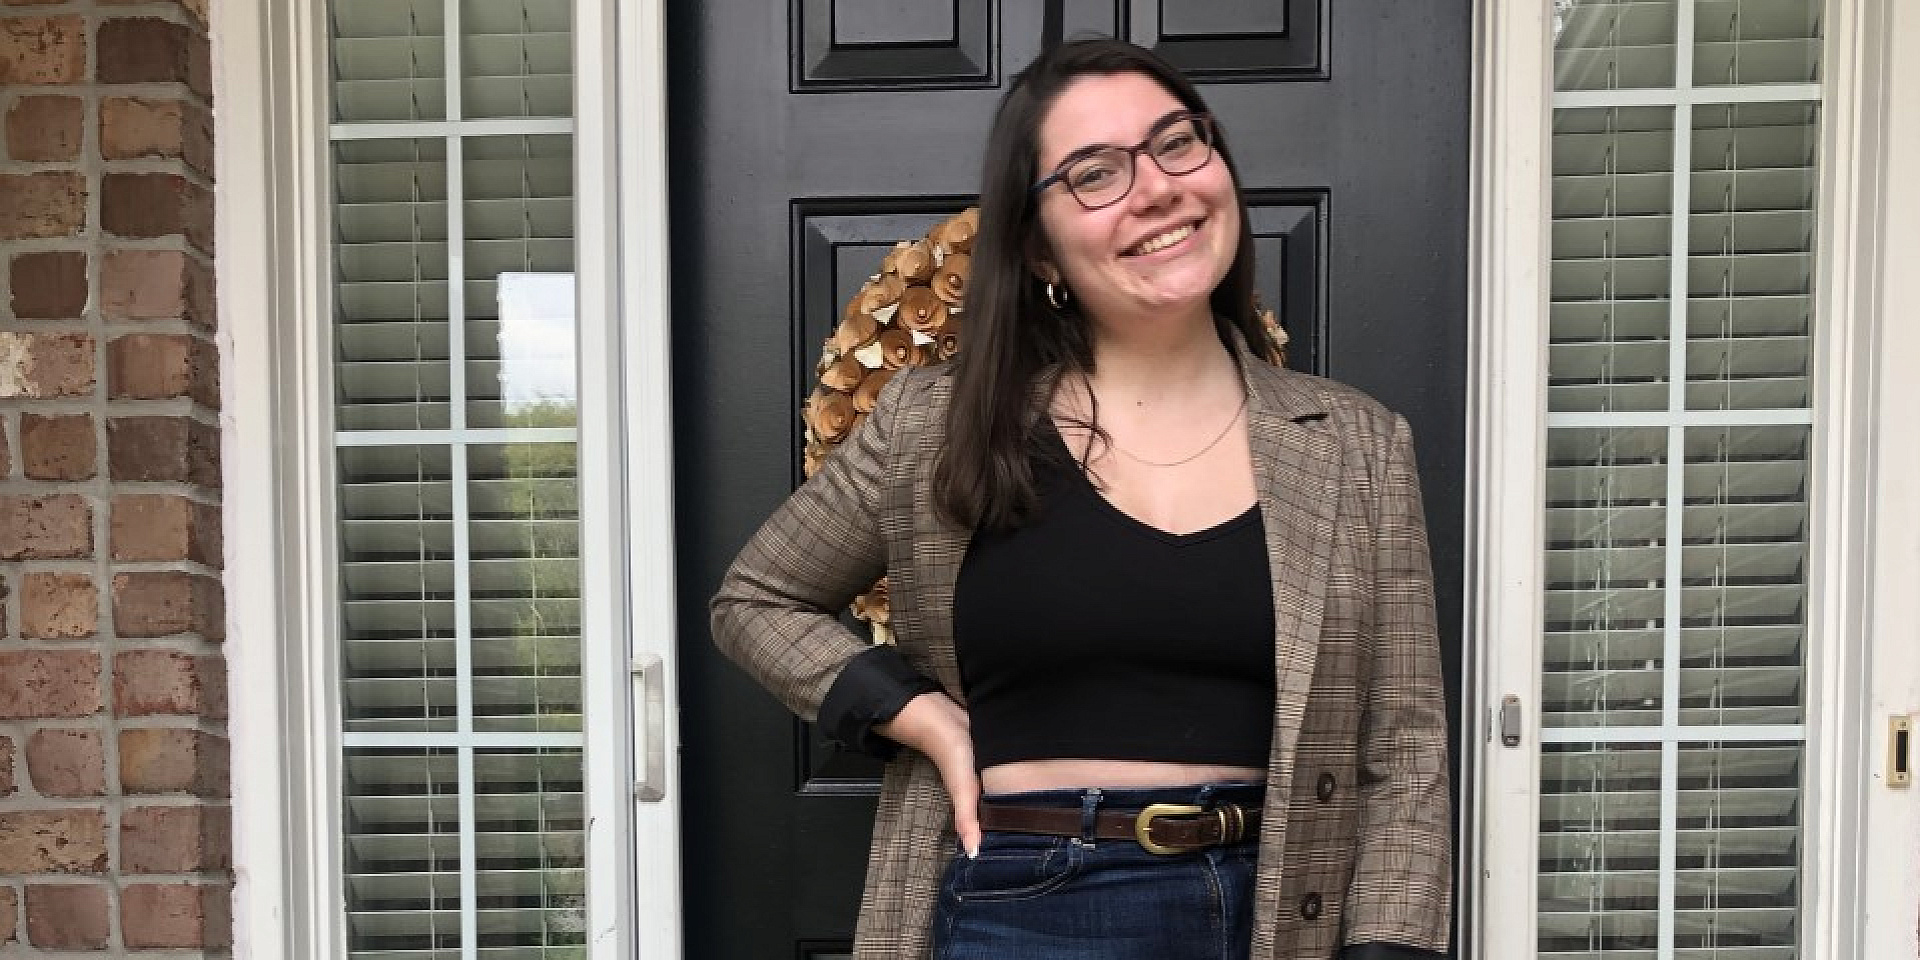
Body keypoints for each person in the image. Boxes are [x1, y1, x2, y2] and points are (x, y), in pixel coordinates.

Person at [711, 37, 1451, 960]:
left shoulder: (1357, 443)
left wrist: (1389, 945)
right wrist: (925, 720)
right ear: (1037, 243)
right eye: (1095, 173)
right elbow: (757, 601)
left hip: (1286, 911)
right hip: (1031, 904)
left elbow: (1407, 750)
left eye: (1178, 142)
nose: (1157, 187)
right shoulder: (935, 425)